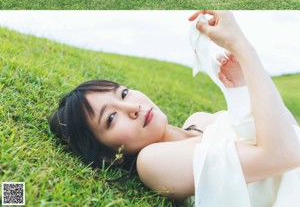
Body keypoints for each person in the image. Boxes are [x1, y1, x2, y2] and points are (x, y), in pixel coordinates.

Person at [49, 11, 300, 206]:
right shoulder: (152, 162)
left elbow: (289, 132)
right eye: (112, 118)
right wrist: (241, 46)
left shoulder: (202, 121)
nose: (133, 107)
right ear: (107, 155)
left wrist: (242, 87)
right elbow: (284, 154)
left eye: (124, 93)